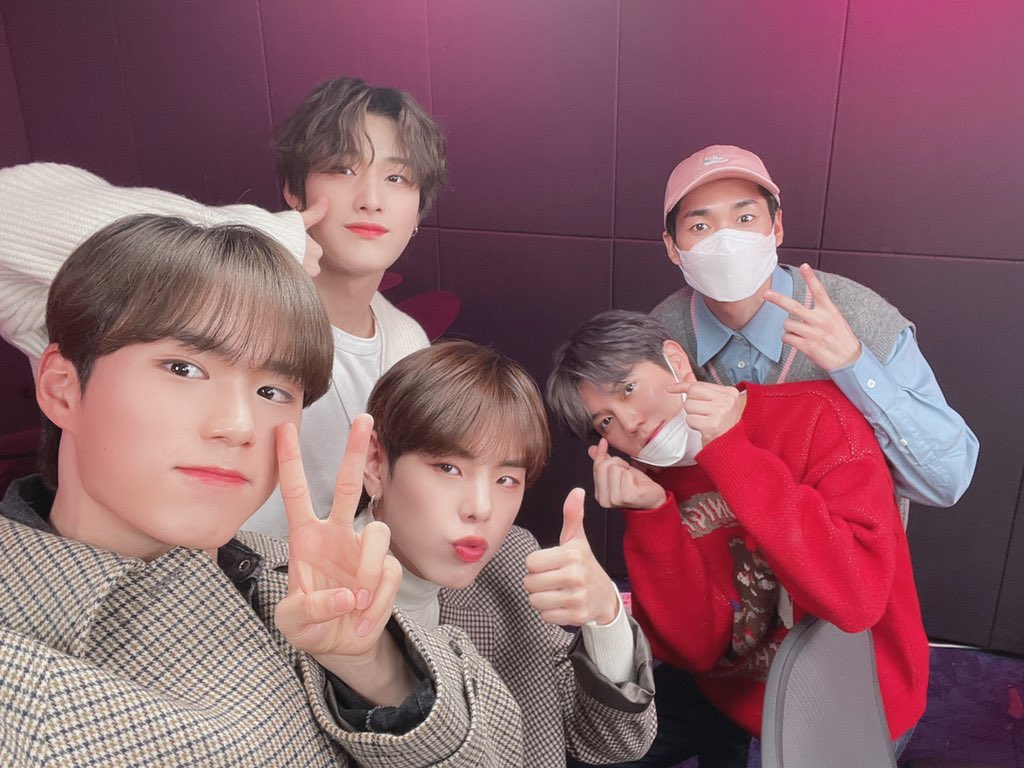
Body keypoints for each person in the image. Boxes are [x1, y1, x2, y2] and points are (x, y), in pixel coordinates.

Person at [0, 214, 526, 766]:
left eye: (273, 391)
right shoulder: (29, 689)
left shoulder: (295, 580)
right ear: (62, 388)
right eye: (183, 368)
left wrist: (373, 666)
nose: (239, 425)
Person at [0, 75, 443, 538]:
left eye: (397, 178)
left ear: (419, 211)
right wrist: (249, 234)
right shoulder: (173, 292)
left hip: (298, 579)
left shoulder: (407, 343)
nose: (371, 200)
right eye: (342, 169)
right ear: (295, 191)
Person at [547, 310, 930, 767]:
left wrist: (729, 451)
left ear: (675, 361)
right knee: (583, 750)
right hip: (732, 685)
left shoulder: (817, 414)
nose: (628, 423)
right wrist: (651, 516)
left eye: (628, 389)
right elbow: (696, 651)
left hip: (856, 692)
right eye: (605, 421)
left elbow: (855, 601)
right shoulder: (651, 481)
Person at [357, 340, 658, 766]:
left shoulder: (511, 558)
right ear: (375, 462)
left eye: (506, 480)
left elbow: (615, 741)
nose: (481, 508)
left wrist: (605, 617)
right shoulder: (304, 595)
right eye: (449, 468)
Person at [652, 144, 977, 511]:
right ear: (673, 247)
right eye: (700, 226)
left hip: (842, 546)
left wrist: (855, 365)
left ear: (776, 227)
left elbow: (947, 482)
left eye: (745, 218)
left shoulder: (860, 318)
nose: (725, 242)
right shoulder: (660, 336)